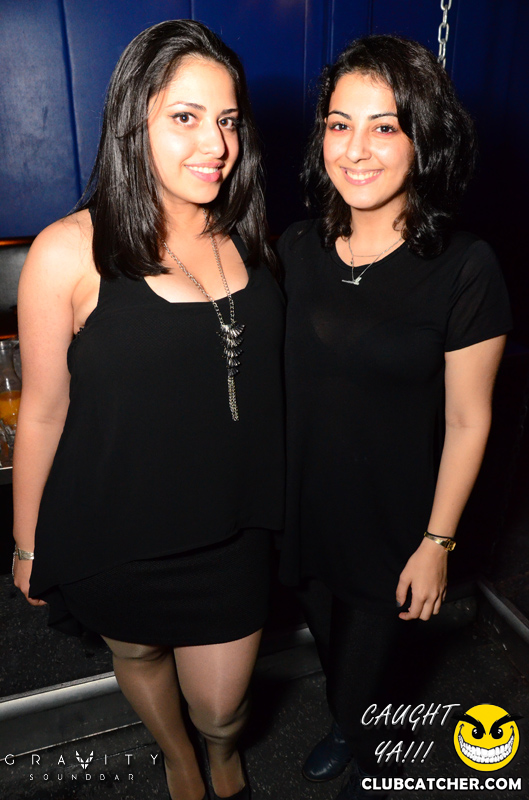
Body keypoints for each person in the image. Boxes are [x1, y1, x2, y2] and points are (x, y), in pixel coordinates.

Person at [12, 20, 284, 800]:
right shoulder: (67, 251)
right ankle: (177, 758)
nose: (215, 144)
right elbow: (43, 411)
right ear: (133, 122)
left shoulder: (249, 234)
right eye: (185, 117)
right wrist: (27, 541)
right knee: (136, 654)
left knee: (223, 705)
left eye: (227, 119)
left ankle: (219, 747)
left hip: (232, 525)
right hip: (114, 524)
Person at [278, 35, 512, 800]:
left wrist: (436, 543)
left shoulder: (464, 266)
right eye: (338, 124)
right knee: (331, 642)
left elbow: (469, 420)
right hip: (306, 512)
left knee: (366, 672)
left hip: (395, 523)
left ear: (423, 139)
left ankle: (368, 746)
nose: (355, 149)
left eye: (384, 127)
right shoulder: (295, 248)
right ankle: (349, 725)